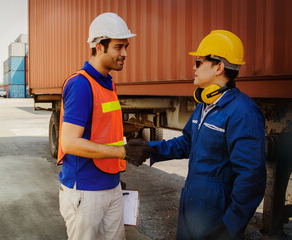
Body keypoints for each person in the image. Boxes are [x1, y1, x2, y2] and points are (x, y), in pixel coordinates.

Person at [147, 30, 266, 239]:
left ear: (218, 67)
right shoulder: (204, 105)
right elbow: (187, 143)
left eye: (199, 62)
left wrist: (230, 227)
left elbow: (251, 176)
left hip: (215, 218)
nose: (194, 68)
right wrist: (149, 148)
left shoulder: (242, 112)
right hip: (191, 207)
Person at [57, 12, 153, 240]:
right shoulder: (81, 85)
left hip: (110, 184)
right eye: (119, 47)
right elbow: (69, 143)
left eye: (126, 46)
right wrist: (123, 152)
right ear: (99, 47)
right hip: (86, 191)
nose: (125, 53)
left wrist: (115, 172)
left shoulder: (107, 83)